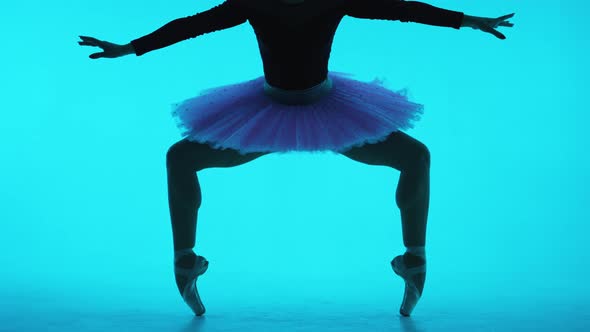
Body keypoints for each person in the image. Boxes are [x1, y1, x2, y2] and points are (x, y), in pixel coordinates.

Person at [78, 0, 514, 317]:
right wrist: (129, 47)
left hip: (330, 110)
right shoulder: (253, 2)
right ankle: (185, 260)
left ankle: (414, 259)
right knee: (181, 157)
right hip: (266, 112)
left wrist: (468, 20)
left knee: (415, 156)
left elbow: (399, 9)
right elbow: (193, 25)